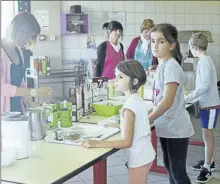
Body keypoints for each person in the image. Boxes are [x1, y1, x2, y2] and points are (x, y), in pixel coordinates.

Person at [82, 60, 155, 184]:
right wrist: (116, 125)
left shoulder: (129, 106)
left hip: (139, 157)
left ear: (135, 81)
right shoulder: (136, 99)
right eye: (116, 76)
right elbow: (135, 125)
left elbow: (126, 142)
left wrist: (96, 143)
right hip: (145, 153)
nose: (116, 80)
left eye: (120, 77)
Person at [148, 23, 194, 184]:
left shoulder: (171, 67)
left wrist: (148, 120)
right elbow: (160, 98)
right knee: (170, 168)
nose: (155, 45)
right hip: (166, 126)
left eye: (161, 41)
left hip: (176, 128)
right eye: (153, 41)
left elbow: (167, 102)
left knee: (178, 172)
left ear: (172, 44)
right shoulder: (162, 65)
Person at [1, 11, 53, 114]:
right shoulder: (2, 52)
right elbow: (2, 88)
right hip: (4, 115)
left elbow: (21, 85)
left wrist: (31, 103)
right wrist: (34, 92)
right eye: (30, 36)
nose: (30, 41)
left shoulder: (19, 52)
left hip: (18, 112)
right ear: (20, 31)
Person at [185, 32, 220, 183]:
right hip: (207, 104)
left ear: (193, 47)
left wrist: (188, 97)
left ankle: (208, 168)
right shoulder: (204, 60)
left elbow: (204, 86)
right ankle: (209, 161)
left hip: (210, 106)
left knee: (208, 137)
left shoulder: (204, 62)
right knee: (207, 136)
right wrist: (192, 96)